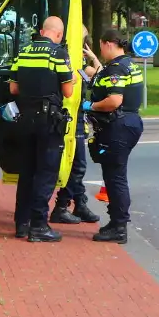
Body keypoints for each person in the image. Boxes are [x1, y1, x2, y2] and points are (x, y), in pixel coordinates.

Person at [9, 16, 75, 242]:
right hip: (48, 120)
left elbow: (14, 88)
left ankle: (21, 223)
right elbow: (68, 92)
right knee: (46, 173)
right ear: (59, 34)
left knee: (27, 171)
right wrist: (72, 78)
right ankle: (39, 225)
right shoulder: (58, 53)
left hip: (25, 118)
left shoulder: (23, 52)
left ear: (41, 30)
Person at [84, 29, 145, 244]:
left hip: (118, 125)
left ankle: (119, 227)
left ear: (109, 44)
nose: (100, 51)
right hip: (130, 122)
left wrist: (90, 105)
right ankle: (116, 222)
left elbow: (114, 100)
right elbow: (107, 77)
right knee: (113, 175)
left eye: (100, 47)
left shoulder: (116, 69)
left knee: (115, 177)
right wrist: (92, 61)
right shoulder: (128, 64)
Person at [50, 29, 102, 225]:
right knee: (77, 165)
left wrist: (93, 58)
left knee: (77, 165)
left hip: (77, 116)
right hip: (70, 117)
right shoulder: (66, 60)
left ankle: (79, 203)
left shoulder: (77, 62)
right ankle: (62, 207)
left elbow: (99, 74)